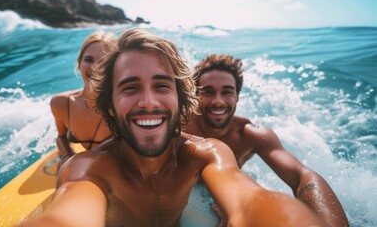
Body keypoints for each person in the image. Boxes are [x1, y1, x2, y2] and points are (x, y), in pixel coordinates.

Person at [21, 28, 325, 227]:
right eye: (129, 88)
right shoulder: (87, 168)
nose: (149, 101)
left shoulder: (206, 153)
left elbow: (249, 199)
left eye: (162, 86)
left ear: (182, 100)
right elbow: (70, 214)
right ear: (110, 105)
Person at [183, 54, 349, 227]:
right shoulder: (181, 129)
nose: (218, 101)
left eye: (227, 92)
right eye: (208, 92)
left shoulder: (250, 135)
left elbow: (302, 177)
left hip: (229, 188)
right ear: (196, 96)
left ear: (237, 96)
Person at [50, 32, 116, 166]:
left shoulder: (120, 107)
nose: (95, 68)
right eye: (89, 60)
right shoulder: (61, 103)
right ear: (79, 63)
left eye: (103, 62)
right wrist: (68, 157)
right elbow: (61, 137)